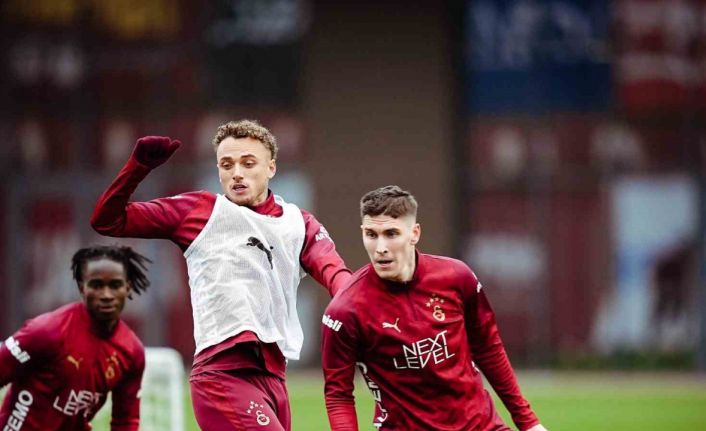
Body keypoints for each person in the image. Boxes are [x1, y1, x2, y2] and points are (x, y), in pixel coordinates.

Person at [90, 119, 351, 430]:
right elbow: (107, 220)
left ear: (271, 167)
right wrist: (138, 168)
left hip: (274, 378)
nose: (236, 172)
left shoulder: (299, 224)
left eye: (248, 163)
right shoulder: (199, 210)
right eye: (227, 165)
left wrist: (363, 307)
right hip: (222, 375)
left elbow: (336, 275)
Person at [321, 185, 548, 431]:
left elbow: (488, 348)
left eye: (391, 233)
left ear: (414, 233)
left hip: (481, 425)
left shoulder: (457, 277)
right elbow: (338, 395)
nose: (380, 248)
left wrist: (528, 422)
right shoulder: (345, 310)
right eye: (371, 235)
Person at [0, 245, 150, 431]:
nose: (106, 295)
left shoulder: (132, 352)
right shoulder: (46, 331)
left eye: (115, 285)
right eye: (96, 285)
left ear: (127, 287)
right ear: (81, 288)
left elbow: (126, 421)